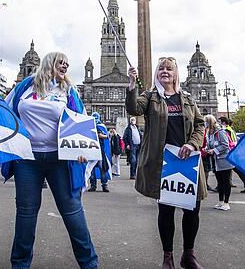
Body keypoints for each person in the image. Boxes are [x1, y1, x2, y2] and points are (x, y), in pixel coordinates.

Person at [4, 52, 98, 269]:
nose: (65, 66)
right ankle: (19, 264)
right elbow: (5, 109)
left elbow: (80, 119)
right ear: (49, 63)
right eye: (61, 62)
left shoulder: (68, 91)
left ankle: (89, 263)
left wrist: (83, 149)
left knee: (72, 210)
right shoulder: (25, 86)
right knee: (26, 213)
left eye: (67, 63)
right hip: (27, 158)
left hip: (59, 159)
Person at [126, 59, 206, 269]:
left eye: (169, 69)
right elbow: (134, 108)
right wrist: (132, 84)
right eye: (161, 68)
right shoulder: (150, 97)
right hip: (165, 162)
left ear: (176, 74)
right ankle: (168, 257)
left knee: (192, 210)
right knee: (166, 210)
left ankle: (188, 255)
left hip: (188, 161)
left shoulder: (187, 98)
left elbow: (200, 125)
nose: (165, 71)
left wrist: (192, 144)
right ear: (156, 74)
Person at [204, 115, 233, 211]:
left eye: (206, 122)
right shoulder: (209, 133)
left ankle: (226, 202)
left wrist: (214, 150)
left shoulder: (220, 132)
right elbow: (210, 145)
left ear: (210, 122)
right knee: (220, 182)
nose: (205, 124)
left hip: (224, 161)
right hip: (215, 161)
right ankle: (220, 201)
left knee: (226, 182)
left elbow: (225, 145)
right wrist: (207, 149)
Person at [221, 117, 245, 193]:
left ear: (224, 123)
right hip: (234, 151)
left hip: (231, 152)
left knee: (236, 170)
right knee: (238, 170)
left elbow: (227, 142)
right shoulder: (231, 129)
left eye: (220, 122)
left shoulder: (226, 130)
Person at [88, 113, 111, 192]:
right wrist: (107, 136)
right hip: (96, 150)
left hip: (96, 151)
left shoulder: (92, 125)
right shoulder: (97, 126)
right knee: (99, 169)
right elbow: (100, 135)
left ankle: (98, 185)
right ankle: (102, 185)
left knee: (97, 169)